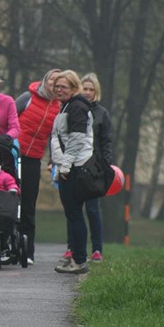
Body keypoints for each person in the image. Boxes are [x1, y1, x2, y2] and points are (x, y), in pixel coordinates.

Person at [61, 73, 113, 263]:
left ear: (96, 91)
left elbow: (106, 141)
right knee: (73, 209)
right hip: (77, 165)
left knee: (92, 209)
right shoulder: (71, 108)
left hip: (95, 167)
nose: (88, 92)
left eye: (92, 89)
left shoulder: (102, 113)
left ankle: (97, 249)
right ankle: (71, 247)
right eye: (85, 88)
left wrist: (107, 165)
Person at [14, 68, 61, 265]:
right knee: (10, 198)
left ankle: (27, 251)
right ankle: (6, 243)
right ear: (45, 81)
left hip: (34, 159)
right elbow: (10, 118)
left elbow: (55, 136)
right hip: (14, 155)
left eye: (58, 82)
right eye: (52, 80)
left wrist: (52, 159)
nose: (54, 85)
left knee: (28, 204)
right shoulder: (28, 97)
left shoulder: (59, 107)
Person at [50, 70, 93, 274]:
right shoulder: (67, 106)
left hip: (76, 168)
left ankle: (80, 260)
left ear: (74, 88)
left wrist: (65, 166)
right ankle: (76, 256)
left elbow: (76, 139)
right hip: (69, 167)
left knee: (75, 214)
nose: (59, 89)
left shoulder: (77, 107)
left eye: (63, 87)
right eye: (57, 86)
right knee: (73, 214)